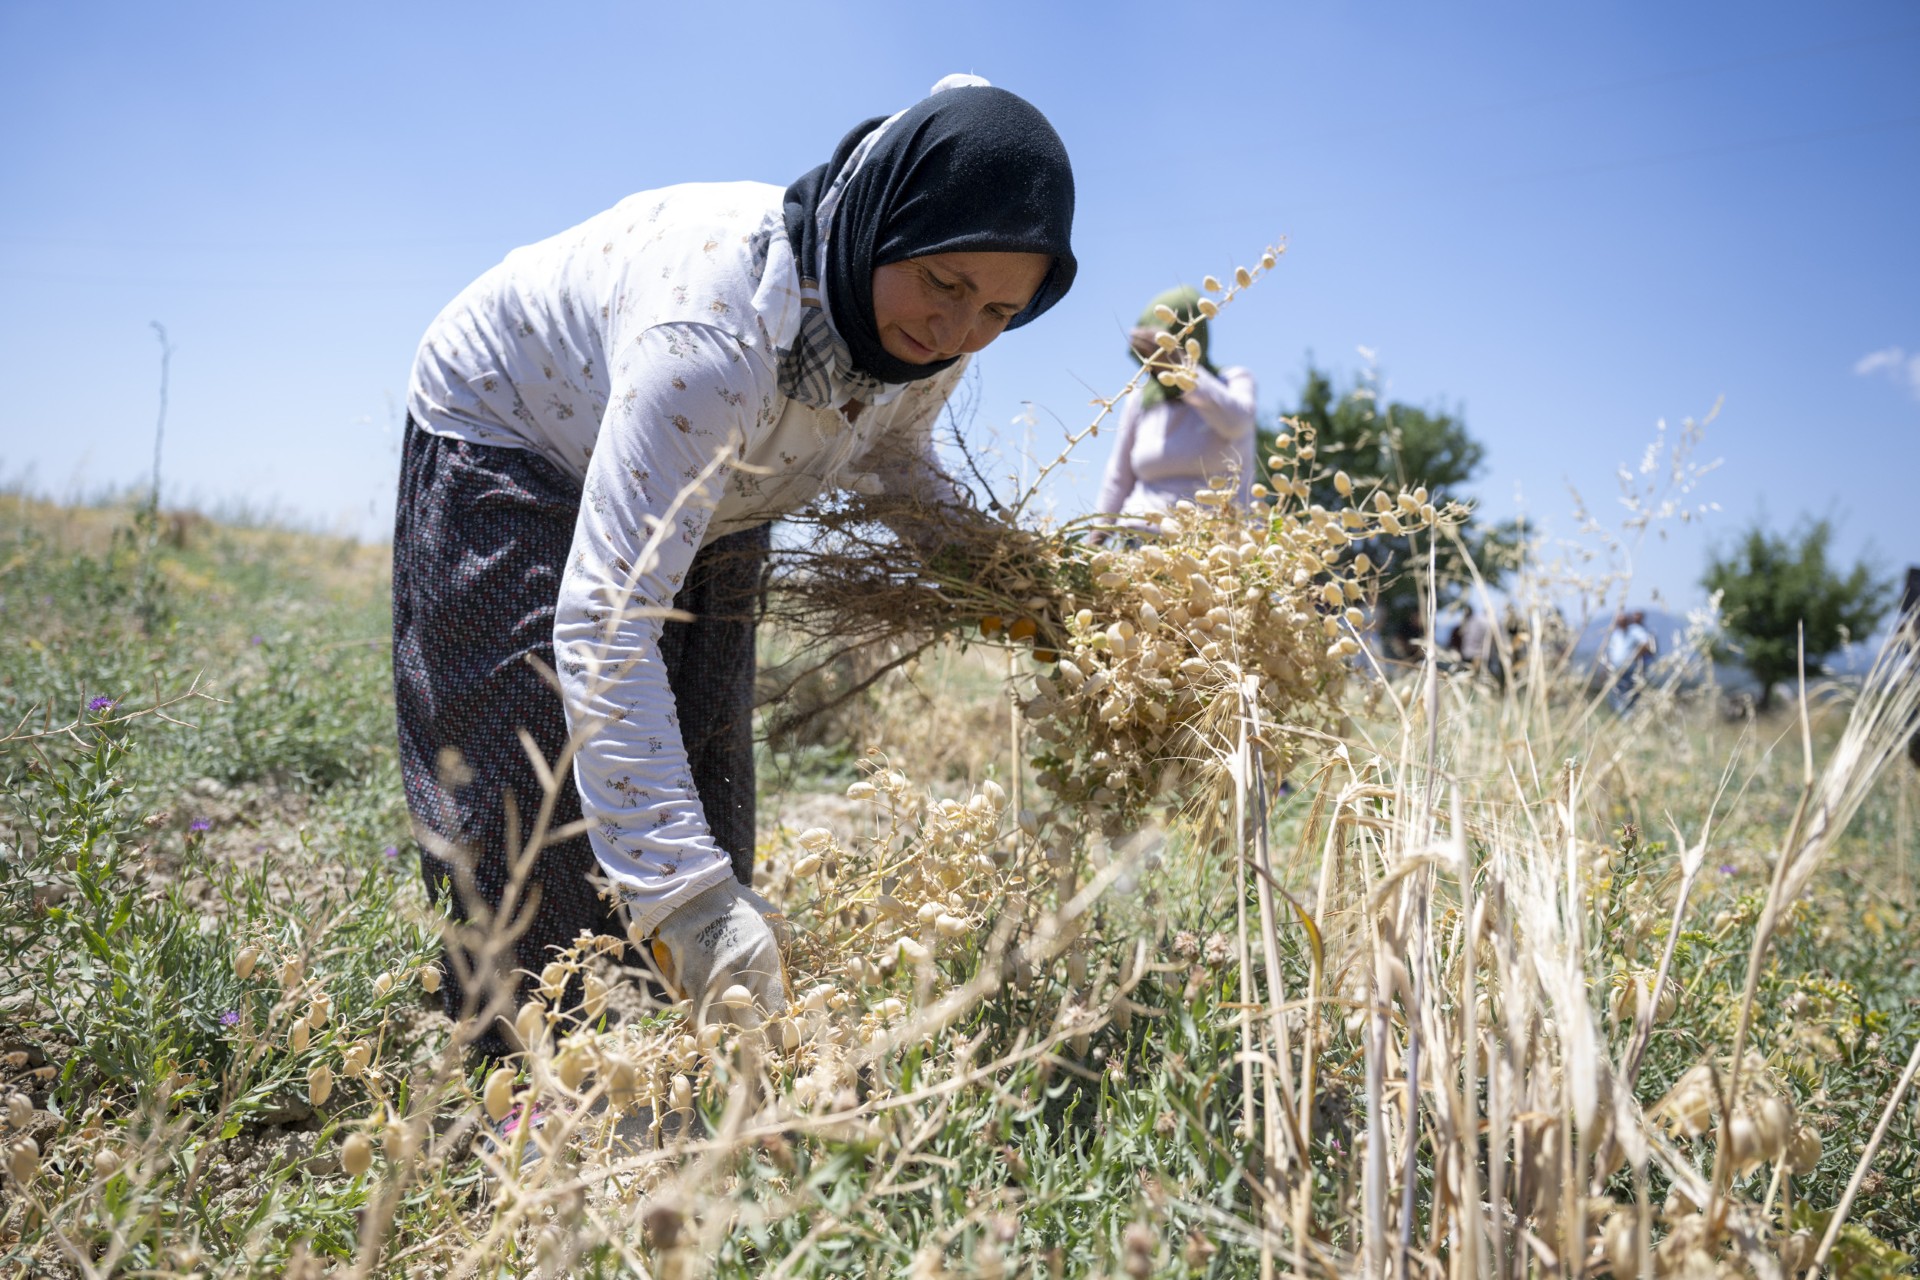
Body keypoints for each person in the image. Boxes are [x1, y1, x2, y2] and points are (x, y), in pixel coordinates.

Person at [392, 76, 1076, 1052]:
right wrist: (692, 902)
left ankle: (673, 1057)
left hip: (718, 469)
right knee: (529, 771)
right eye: (945, 284)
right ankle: (531, 1101)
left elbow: (895, 454)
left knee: (701, 749)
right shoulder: (713, 338)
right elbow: (608, 618)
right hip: (515, 428)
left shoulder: (927, 333)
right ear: (891, 220)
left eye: (1001, 311)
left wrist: (995, 574)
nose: (959, 332)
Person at [1092, 286, 1258, 529]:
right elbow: (1118, 479)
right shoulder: (1141, 399)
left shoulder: (1233, 381)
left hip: (1219, 548)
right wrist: (1095, 542)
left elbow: (1237, 422)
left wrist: (1182, 369)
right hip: (1142, 546)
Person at [1602, 610, 1658, 712]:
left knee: (1628, 692)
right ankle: (1619, 714)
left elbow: (1647, 645)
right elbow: (1610, 652)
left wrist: (1634, 657)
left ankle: (1627, 714)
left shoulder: (1636, 631)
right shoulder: (1616, 634)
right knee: (1615, 693)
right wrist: (1607, 666)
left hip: (1629, 669)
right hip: (1615, 669)